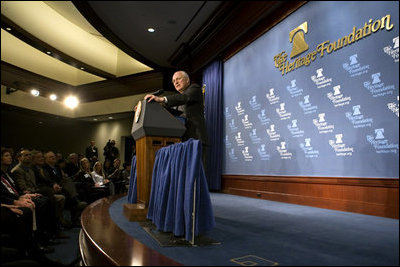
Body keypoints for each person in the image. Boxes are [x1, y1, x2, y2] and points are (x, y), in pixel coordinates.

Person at [144, 70, 208, 167]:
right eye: (174, 81)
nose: (176, 82)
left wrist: (162, 99)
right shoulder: (176, 99)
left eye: (178, 79)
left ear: (187, 80)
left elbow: (184, 98)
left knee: (196, 175)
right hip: (181, 141)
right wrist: (146, 107)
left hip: (195, 138)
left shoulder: (194, 88)